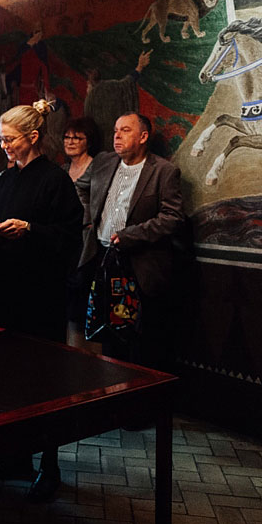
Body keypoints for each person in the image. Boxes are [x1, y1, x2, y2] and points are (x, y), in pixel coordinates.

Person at [0, 100, 84, 502]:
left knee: (42, 383)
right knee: (3, 382)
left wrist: (31, 230)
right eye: (0, 139)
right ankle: (14, 457)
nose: (3, 146)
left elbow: (71, 236)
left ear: (33, 138)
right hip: (0, 294)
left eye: (9, 139)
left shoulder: (54, 180)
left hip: (38, 299)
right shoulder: (3, 181)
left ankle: (49, 466)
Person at [75, 112, 185, 366]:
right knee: (108, 340)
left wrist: (131, 235)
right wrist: (91, 219)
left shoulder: (163, 171)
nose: (117, 135)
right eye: (115, 130)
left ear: (143, 136)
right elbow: (81, 187)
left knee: (141, 345)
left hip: (141, 266)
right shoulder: (104, 161)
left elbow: (173, 217)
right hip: (102, 260)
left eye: (125, 130)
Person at [62, 117, 102, 346]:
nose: (71, 141)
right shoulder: (63, 169)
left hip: (89, 238)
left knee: (84, 292)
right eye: (67, 137)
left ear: (89, 141)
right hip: (67, 236)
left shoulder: (98, 167)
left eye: (77, 137)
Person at [83, 51, 151, 150]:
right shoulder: (95, 92)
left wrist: (140, 67)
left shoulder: (106, 88)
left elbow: (126, 84)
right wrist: (140, 67)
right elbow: (127, 83)